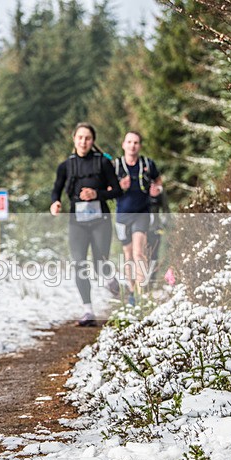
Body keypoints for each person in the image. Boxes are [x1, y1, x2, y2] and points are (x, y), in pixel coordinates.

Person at [50, 123, 122, 327]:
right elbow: (56, 189)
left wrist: (96, 194)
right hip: (77, 222)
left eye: (88, 138)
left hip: (101, 220)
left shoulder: (103, 163)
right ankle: (88, 310)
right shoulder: (66, 165)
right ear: (74, 139)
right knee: (79, 264)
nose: (83, 142)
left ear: (93, 141)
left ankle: (110, 281)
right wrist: (55, 202)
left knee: (100, 262)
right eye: (80, 138)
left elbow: (117, 190)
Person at [113, 131, 163, 302]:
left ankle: (141, 292)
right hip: (122, 215)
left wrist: (157, 190)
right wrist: (119, 186)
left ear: (140, 145)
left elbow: (158, 180)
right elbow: (108, 189)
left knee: (138, 252)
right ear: (123, 144)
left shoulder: (148, 164)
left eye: (136, 142)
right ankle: (132, 290)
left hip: (142, 212)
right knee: (127, 254)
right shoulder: (116, 166)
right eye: (129, 142)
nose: (132, 145)